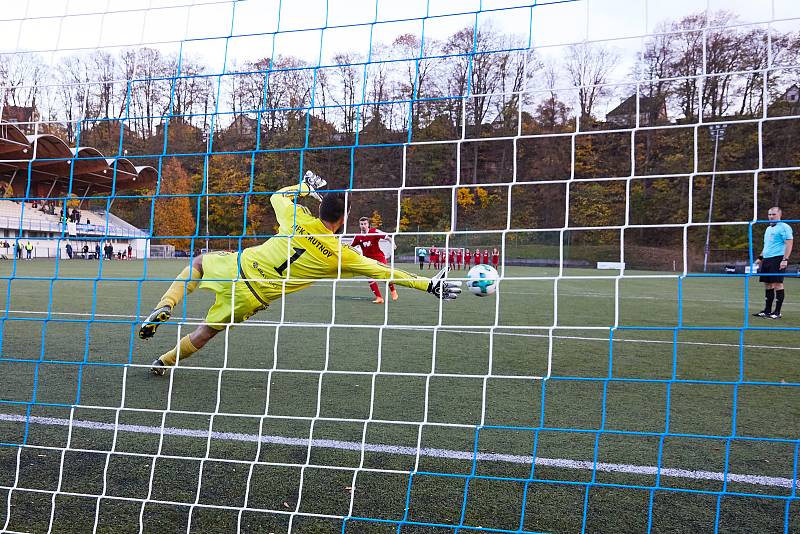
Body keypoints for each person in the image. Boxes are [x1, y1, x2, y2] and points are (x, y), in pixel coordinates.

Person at [139, 173, 461, 376]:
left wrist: (305, 187)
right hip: (253, 297)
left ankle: (167, 303)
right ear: (343, 218)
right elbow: (381, 269)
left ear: (320, 210)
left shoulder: (296, 216)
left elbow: (276, 196)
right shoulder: (339, 254)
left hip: (239, 266)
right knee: (206, 331)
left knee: (197, 264)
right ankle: (164, 361)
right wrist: (427, 283)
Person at [753, 207, 793, 319]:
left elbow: (789, 244)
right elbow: (767, 246)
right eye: (769, 214)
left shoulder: (784, 227)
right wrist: (760, 258)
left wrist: (785, 259)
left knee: (777, 284)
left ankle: (777, 312)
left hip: (778, 258)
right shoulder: (768, 228)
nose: (771, 216)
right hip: (767, 259)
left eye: (774, 214)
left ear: (780, 215)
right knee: (768, 284)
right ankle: (767, 311)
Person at [351, 216, 398, 303]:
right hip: (368, 260)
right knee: (369, 278)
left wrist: (392, 242)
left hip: (379, 258)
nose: (363, 226)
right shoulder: (357, 237)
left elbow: (387, 237)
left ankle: (393, 291)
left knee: (384, 276)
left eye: (365, 224)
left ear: (368, 225)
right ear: (359, 225)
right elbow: (350, 247)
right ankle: (379, 298)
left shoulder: (374, 232)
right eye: (361, 224)